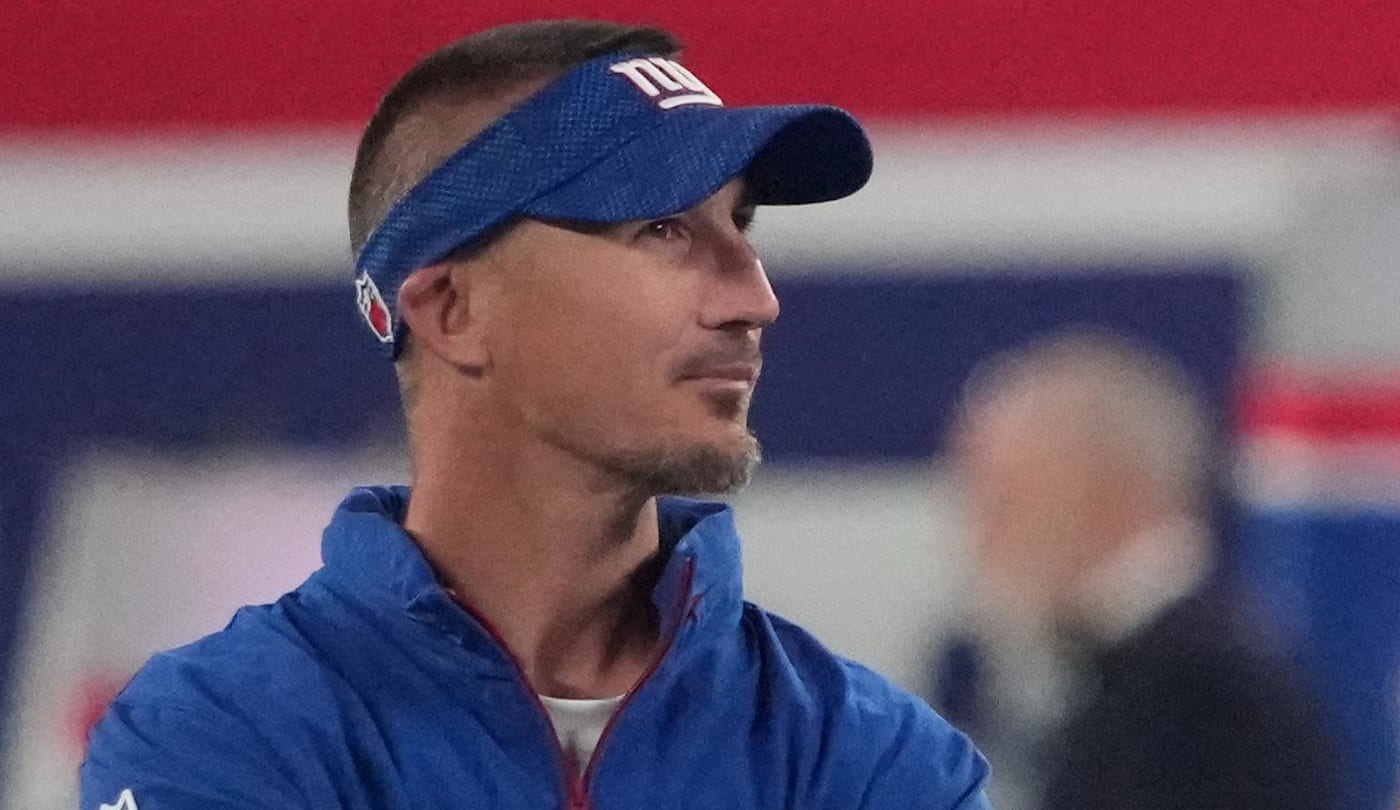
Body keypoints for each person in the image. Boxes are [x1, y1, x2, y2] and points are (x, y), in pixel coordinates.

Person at [79, 19, 991, 809]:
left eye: (740, 226)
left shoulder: (874, 756)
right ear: (452, 313)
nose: (753, 298)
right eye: (663, 229)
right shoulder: (216, 737)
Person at [934, 330, 1339, 809]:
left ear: (1112, 494)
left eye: (1007, 498)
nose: (980, 536)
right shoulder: (1043, 669)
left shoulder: (1215, 694)